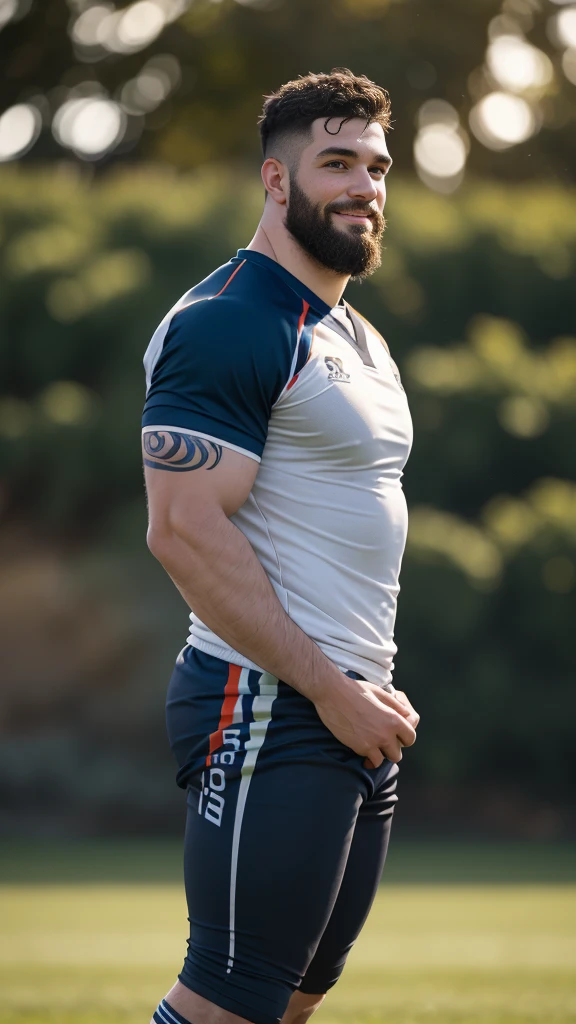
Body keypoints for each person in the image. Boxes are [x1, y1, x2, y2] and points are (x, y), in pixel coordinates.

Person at [142, 68, 419, 1024]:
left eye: (376, 167)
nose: (363, 186)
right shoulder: (230, 321)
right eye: (336, 163)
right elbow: (182, 529)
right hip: (266, 700)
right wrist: (329, 687)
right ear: (275, 178)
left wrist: (359, 683)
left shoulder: (357, 334)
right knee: (228, 1003)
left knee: (292, 1003)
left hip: (347, 701)